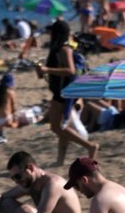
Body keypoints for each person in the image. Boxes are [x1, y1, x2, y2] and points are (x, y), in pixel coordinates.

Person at [35, 20, 99, 165]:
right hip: (62, 91)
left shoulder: (65, 49)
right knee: (62, 129)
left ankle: (90, 146)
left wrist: (47, 70)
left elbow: (70, 71)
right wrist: (42, 71)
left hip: (64, 93)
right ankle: (60, 160)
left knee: (56, 127)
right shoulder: (57, 49)